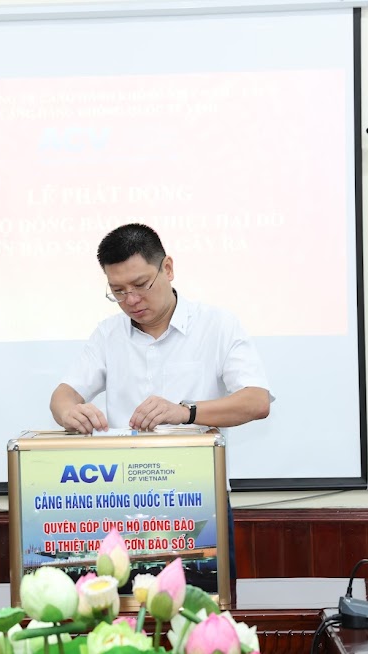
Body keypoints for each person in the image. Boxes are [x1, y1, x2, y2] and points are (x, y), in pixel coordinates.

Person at [49, 223, 273, 579]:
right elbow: (63, 395)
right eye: (118, 291)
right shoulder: (108, 334)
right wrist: (69, 413)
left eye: (140, 285)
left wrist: (186, 412)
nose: (131, 300)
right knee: (119, 606)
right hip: (122, 503)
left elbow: (257, 400)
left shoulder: (217, 325)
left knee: (203, 605)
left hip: (198, 504)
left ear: (167, 268)